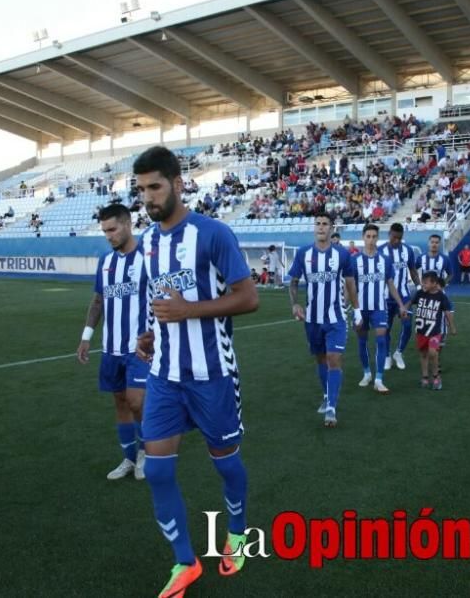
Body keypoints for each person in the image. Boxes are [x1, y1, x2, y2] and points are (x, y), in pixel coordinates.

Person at [132, 147, 259, 595]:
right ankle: (186, 562)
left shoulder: (212, 233)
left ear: (178, 184)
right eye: (141, 189)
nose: (147, 197)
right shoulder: (147, 242)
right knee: (159, 472)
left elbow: (248, 297)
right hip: (165, 375)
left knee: (226, 465)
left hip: (213, 376)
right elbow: (163, 302)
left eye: (155, 186)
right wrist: (151, 333)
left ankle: (239, 532)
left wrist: (189, 311)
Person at [77, 203, 149, 480]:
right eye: (104, 231)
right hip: (110, 347)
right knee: (120, 402)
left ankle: (146, 453)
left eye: (112, 229)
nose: (108, 235)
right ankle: (129, 459)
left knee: (136, 401)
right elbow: (98, 301)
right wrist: (86, 337)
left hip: (140, 348)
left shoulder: (148, 258)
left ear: (128, 224)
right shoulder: (105, 262)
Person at [288, 212, 357, 427]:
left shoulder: (342, 255)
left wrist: (357, 309)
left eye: (325, 224)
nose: (320, 227)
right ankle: (327, 395)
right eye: (317, 223)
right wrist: (295, 304)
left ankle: (331, 408)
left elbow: (350, 284)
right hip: (313, 320)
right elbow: (293, 282)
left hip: (336, 318)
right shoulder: (303, 254)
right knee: (320, 360)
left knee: (334, 358)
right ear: (313, 227)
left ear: (331, 227)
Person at [352, 223, 405, 393]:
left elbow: (390, 284)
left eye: (374, 237)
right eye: (368, 236)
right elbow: (350, 287)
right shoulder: (354, 261)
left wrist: (401, 304)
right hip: (360, 309)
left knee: (381, 338)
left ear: (378, 238)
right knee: (362, 341)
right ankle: (367, 373)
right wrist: (348, 308)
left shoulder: (385, 260)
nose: (371, 240)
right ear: (363, 237)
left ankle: (379, 379)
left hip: (379, 307)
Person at [380, 223, 420, 371]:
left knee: (408, 325)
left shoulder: (408, 251)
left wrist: (419, 287)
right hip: (385, 297)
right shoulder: (380, 251)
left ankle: (399, 353)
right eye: (394, 237)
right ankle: (387, 356)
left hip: (404, 295)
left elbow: (413, 271)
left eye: (399, 238)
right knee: (386, 329)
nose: (396, 241)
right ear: (389, 234)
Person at [408, 271, 456, 391]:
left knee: (433, 353)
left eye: (425, 283)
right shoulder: (420, 294)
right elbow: (410, 302)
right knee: (423, 354)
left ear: (434, 283)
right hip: (420, 331)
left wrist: (452, 327)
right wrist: (404, 308)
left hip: (435, 332)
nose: (423, 285)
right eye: (422, 282)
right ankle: (424, 377)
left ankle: (436, 377)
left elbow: (447, 312)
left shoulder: (441, 296)